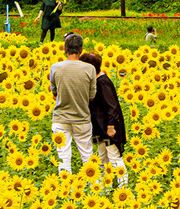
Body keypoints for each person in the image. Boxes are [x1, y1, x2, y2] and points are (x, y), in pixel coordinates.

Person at [79, 52, 129, 188]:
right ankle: (105, 190)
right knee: (103, 159)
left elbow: (112, 106)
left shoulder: (103, 82)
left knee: (114, 157)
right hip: (99, 127)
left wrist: (111, 126)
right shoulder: (94, 81)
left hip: (108, 127)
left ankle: (123, 189)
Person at [49, 33, 96, 173]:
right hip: (82, 118)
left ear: (64, 49)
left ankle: (65, 189)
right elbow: (92, 97)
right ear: (81, 50)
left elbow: (54, 93)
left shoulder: (55, 68)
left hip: (61, 119)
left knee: (63, 157)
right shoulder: (90, 69)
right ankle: (95, 187)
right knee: (87, 156)